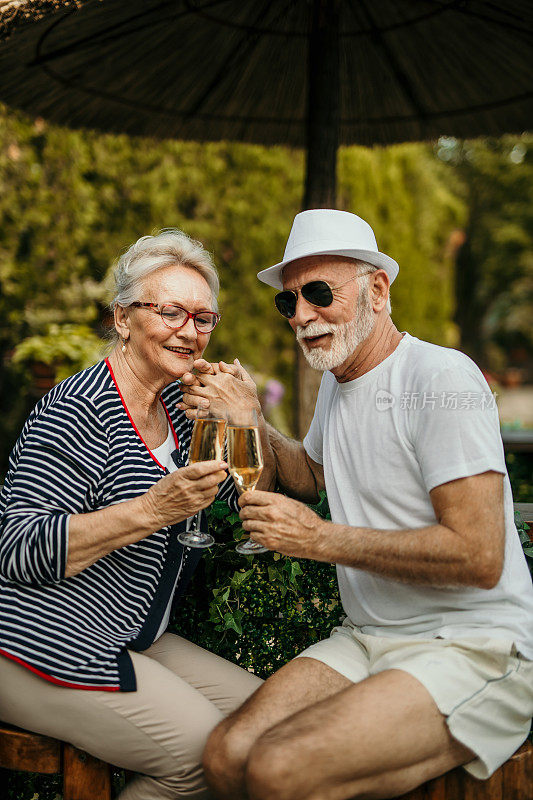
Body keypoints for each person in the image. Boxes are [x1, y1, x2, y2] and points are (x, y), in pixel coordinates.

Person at [179, 210, 533, 800]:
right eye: (287, 302)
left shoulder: (441, 378)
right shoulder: (340, 383)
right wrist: (250, 419)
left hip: (478, 645)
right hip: (370, 636)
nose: (301, 315)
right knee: (226, 755)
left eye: (319, 293)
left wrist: (319, 539)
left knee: (278, 771)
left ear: (378, 289)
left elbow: (480, 555)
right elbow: (311, 475)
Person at [0, 229, 263, 800]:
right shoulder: (75, 412)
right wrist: (150, 509)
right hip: (37, 643)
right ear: (122, 319)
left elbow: (232, 494)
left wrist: (246, 420)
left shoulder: (181, 403)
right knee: (207, 757)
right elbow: (19, 551)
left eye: (204, 318)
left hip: (130, 633)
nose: (190, 331)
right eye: (171, 311)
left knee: (266, 727)